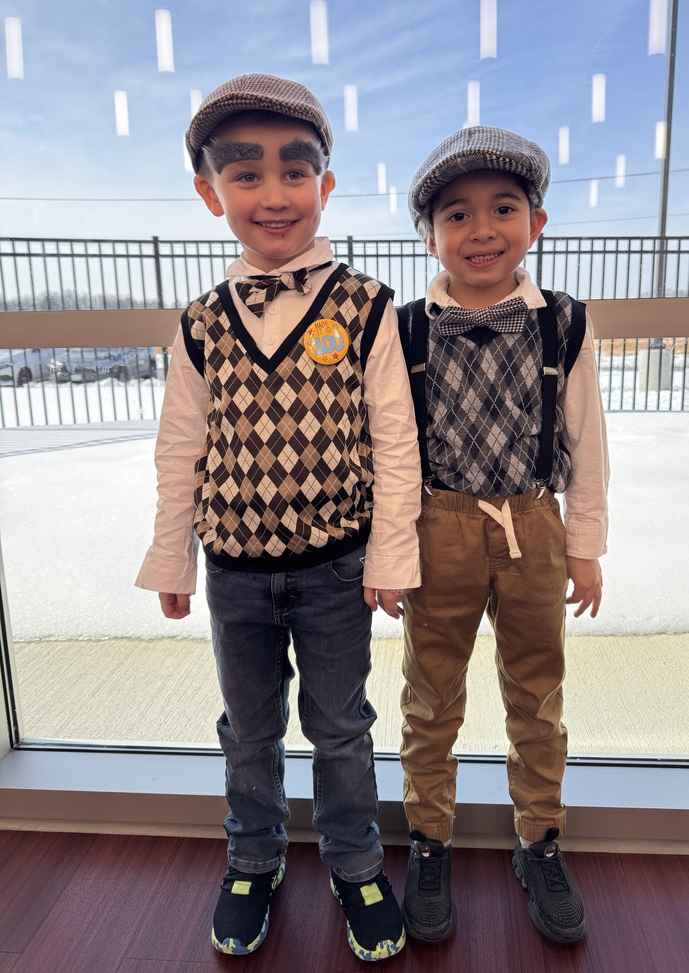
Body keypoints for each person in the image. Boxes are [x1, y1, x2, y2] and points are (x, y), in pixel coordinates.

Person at [136, 72, 422, 962]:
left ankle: (355, 862)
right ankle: (253, 860)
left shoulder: (367, 307)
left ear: (326, 186)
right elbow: (180, 444)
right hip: (235, 573)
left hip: (340, 569)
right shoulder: (200, 324)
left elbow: (396, 440)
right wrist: (173, 559)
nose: (273, 194)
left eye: (295, 172)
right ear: (208, 192)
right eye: (245, 174)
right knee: (248, 728)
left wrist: (391, 552)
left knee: (341, 725)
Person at [397, 126, 609, 946]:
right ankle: (428, 840)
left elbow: (587, 439)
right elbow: (394, 448)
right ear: (430, 236)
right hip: (438, 524)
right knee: (431, 693)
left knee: (537, 689)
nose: (481, 229)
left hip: (533, 521)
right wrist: (393, 549)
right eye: (456, 215)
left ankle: (540, 841)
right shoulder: (407, 328)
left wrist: (583, 544)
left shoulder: (564, 324)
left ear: (538, 222)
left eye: (503, 208)